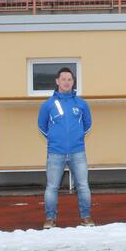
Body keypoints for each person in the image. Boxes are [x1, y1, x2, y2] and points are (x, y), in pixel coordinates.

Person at [38, 67, 94, 229]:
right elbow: (41, 126)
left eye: (70, 79)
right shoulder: (48, 104)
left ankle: (86, 217)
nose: (66, 82)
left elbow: (87, 125)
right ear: (57, 81)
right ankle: (50, 218)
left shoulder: (81, 104)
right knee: (52, 187)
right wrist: (55, 139)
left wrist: (76, 138)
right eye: (63, 79)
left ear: (73, 82)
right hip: (55, 152)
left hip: (78, 151)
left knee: (83, 186)